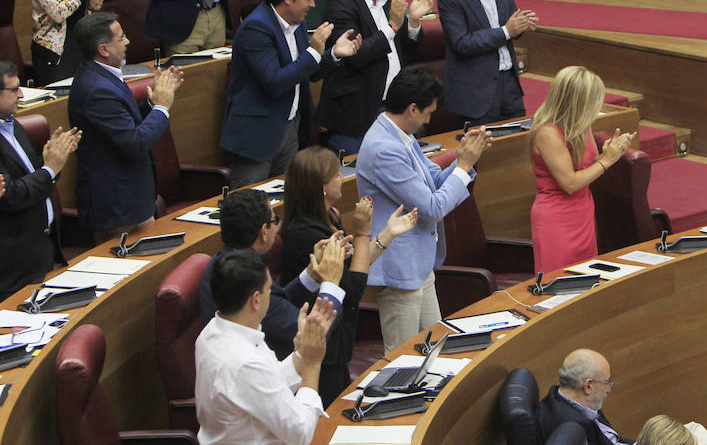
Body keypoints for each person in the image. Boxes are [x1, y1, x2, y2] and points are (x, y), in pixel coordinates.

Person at [356, 68, 491, 352]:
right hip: (399, 269)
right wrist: (464, 165)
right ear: (412, 108)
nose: (429, 120)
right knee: (402, 358)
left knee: (435, 348)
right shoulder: (384, 148)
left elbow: (435, 182)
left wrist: (467, 157)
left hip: (420, 264)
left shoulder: (399, 134)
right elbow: (432, 207)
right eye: (427, 112)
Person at [280, 146, 417, 404]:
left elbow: (355, 264)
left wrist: (387, 234)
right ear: (321, 186)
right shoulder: (306, 235)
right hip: (322, 348)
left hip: (337, 343)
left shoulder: (327, 218)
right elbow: (352, 291)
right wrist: (364, 232)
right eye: (336, 174)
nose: (342, 177)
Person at [219, 0, 360, 188]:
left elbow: (309, 73)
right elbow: (274, 82)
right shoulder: (256, 28)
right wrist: (314, 51)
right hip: (256, 135)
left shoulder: (297, 23)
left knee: (287, 204)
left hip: (289, 129)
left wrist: (333, 54)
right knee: (253, 208)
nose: (313, 5)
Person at [195, 248, 336, 445]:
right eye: (269, 289)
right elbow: (302, 434)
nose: (271, 294)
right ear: (256, 299)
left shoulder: (212, 332)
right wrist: (312, 364)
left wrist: (303, 352)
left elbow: (267, 383)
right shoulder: (245, 362)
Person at [67, 11, 184, 243]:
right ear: (103, 49)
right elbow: (134, 144)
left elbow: (122, 125)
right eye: (121, 38)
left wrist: (151, 103)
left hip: (130, 201)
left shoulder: (102, 76)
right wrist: (162, 107)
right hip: (117, 208)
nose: (128, 41)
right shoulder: (96, 89)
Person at [198, 188, 347, 361]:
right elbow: (313, 337)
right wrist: (332, 282)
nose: (277, 225)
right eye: (274, 220)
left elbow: (277, 302)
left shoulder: (222, 262)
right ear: (264, 232)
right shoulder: (247, 281)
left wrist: (312, 275)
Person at [315, 0, 432, 155]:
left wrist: (413, 22)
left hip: (396, 105)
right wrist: (393, 27)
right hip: (357, 112)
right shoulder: (340, 5)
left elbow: (413, 52)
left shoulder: (393, 0)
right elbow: (356, 56)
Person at [530, 67, 635, 273]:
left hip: (582, 211)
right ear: (576, 102)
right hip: (557, 217)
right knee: (560, 284)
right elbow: (570, 183)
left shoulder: (581, 125)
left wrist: (608, 153)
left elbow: (587, 165)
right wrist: (607, 161)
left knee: (586, 279)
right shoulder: (547, 134)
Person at [437, 0, 538, 126]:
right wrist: (507, 31)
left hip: (509, 84)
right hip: (478, 92)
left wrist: (521, 23)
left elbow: (510, 19)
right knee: (487, 153)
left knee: (518, 144)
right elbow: (462, 43)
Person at [0, 60, 80, 299]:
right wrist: (50, 169)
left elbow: (40, 175)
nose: (21, 94)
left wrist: (53, 161)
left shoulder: (14, 127)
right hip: (14, 265)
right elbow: (11, 196)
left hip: (41, 250)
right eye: (14, 90)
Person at [536, 349, 632, 445]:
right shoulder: (576, 430)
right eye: (606, 383)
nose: (608, 390)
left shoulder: (557, 396)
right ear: (588, 386)